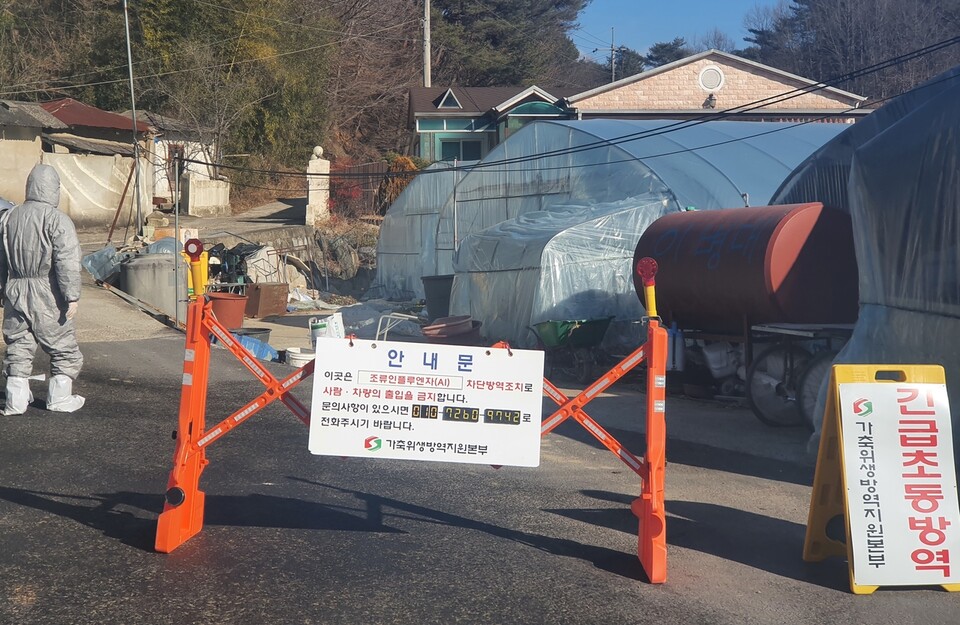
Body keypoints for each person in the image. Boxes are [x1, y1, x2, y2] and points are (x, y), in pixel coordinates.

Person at [0, 163, 84, 414]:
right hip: (47, 291)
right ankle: (58, 399)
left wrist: (2, 289)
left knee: (18, 344)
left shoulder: (8, 217)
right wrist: (72, 296)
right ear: (53, 189)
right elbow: (67, 261)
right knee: (62, 346)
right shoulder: (58, 220)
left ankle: (15, 401)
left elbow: (1, 258)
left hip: (15, 289)